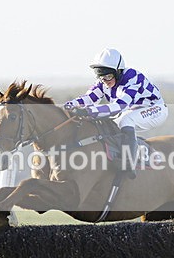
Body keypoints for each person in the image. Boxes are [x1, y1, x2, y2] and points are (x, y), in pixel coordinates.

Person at [63, 48, 167, 178]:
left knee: (126, 121)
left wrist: (89, 111)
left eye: (108, 76)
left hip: (155, 109)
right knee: (111, 124)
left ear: (118, 72)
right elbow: (90, 98)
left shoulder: (132, 78)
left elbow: (119, 106)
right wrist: (72, 104)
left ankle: (129, 163)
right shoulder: (103, 82)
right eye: (101, 76)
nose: (105, 80)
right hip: (133, 109)